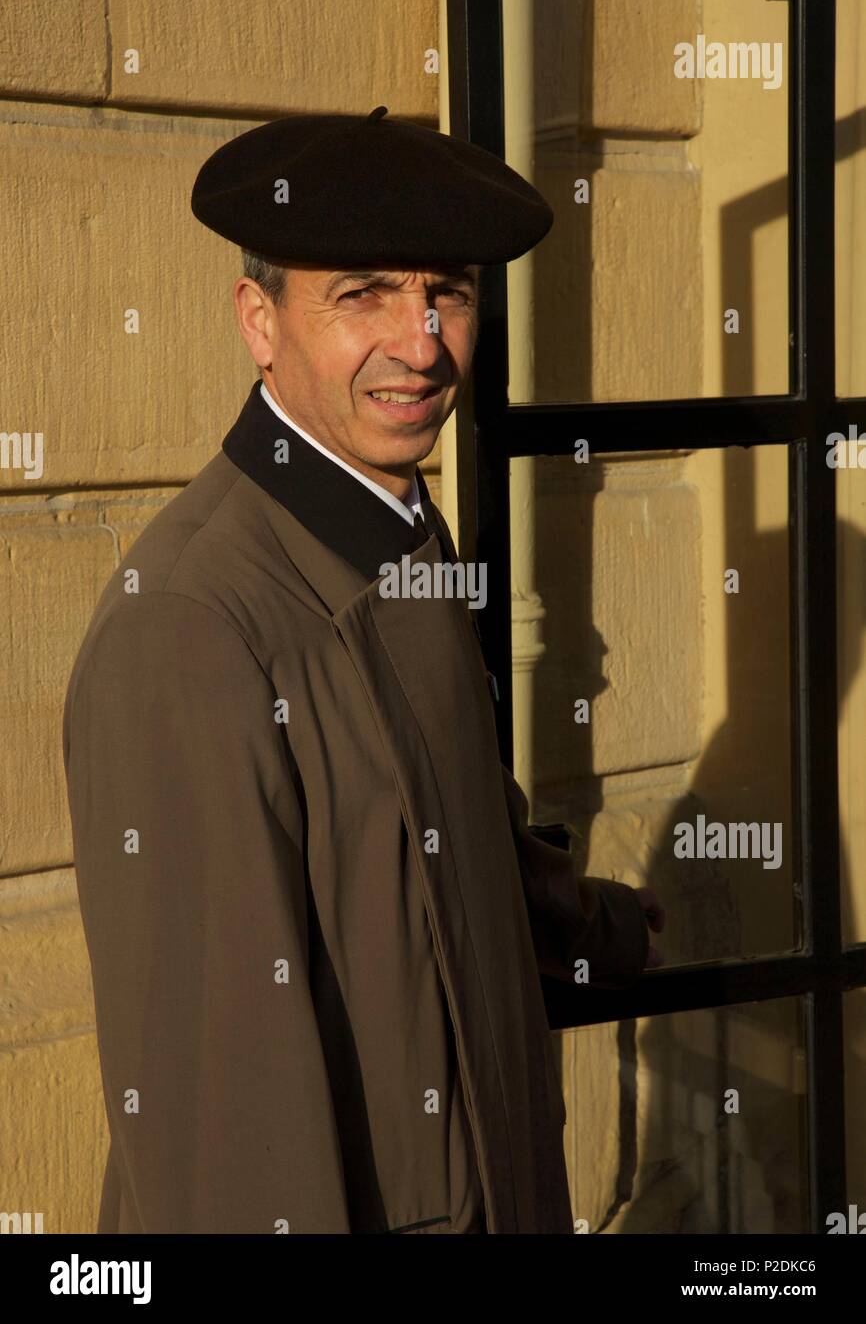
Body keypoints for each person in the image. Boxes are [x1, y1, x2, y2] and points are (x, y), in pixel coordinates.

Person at [63, 106, 665, 1235]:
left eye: (449, 291)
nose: (423, 339)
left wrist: (588, 928)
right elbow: (224, 1133)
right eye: (364, 293)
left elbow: (438, 841)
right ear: (258, 320)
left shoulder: (397, 532)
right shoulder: (192, 628)